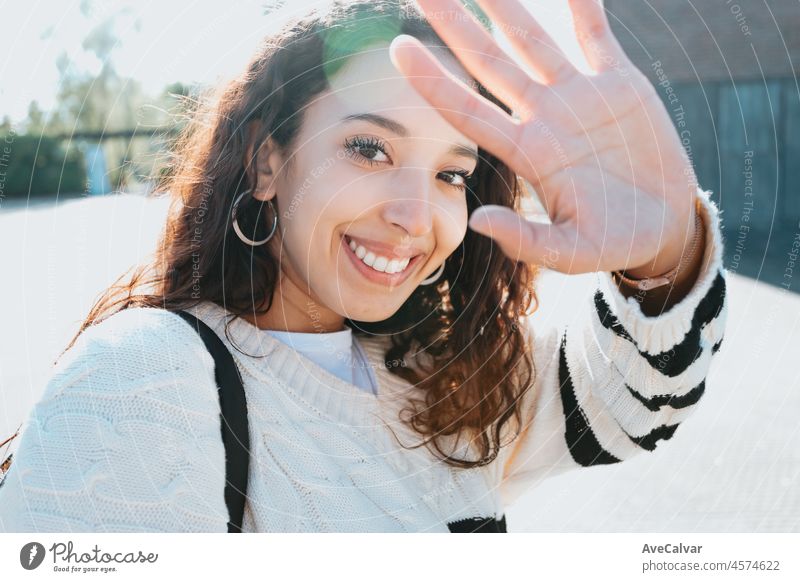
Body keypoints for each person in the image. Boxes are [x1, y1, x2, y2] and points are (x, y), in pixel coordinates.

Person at [0, 0, 727, 533]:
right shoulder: (142, 384)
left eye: (451, 173)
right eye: (369, 150)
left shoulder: (441, 373)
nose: (416, 215)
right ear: (265, 161)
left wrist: (664, 252)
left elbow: (635, 404)